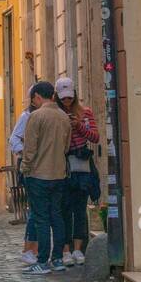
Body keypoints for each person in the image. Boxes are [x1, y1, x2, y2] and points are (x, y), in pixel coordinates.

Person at [19, 80, 72, 275]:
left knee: (41, 218)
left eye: (33, 99)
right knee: (57, 216)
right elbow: (66, 146)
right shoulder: (64, 117)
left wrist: (25, 168)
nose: (33, 102)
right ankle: (57, 259)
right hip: (59, 174)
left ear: (38, 97)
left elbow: (30, 148)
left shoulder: (36, 116)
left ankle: (42, 260)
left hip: (38, 174)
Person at [55, 76, 100, 265]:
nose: (67, 101)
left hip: (81, 165)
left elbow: (95, 137)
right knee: (64, 208)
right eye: (63, 98)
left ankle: (78, 248)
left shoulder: (85, 113)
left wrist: (78, 126)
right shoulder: (55, 115)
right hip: (62, 166)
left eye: (69, 97)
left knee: (80, 209)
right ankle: (65, 249)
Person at [10, 99, 38, 264]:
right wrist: (28, 153)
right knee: (35, 209)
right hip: (32, 168)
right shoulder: (26, 116)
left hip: (48, 168)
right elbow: (14, 140)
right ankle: (30, 250)